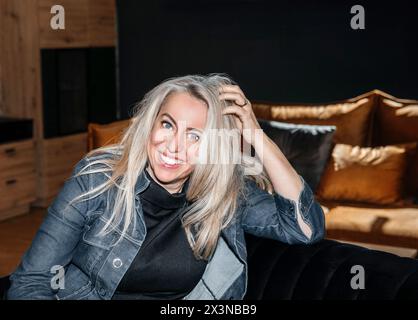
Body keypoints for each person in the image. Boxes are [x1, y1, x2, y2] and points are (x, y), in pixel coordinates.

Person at [7, 74, 325, 300]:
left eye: (194, 136)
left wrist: (256, 136)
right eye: (168, 125)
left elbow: (304, 228)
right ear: (151, 124)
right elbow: (31, 281)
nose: (174, 146)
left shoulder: (226, 194)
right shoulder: (98, 178)